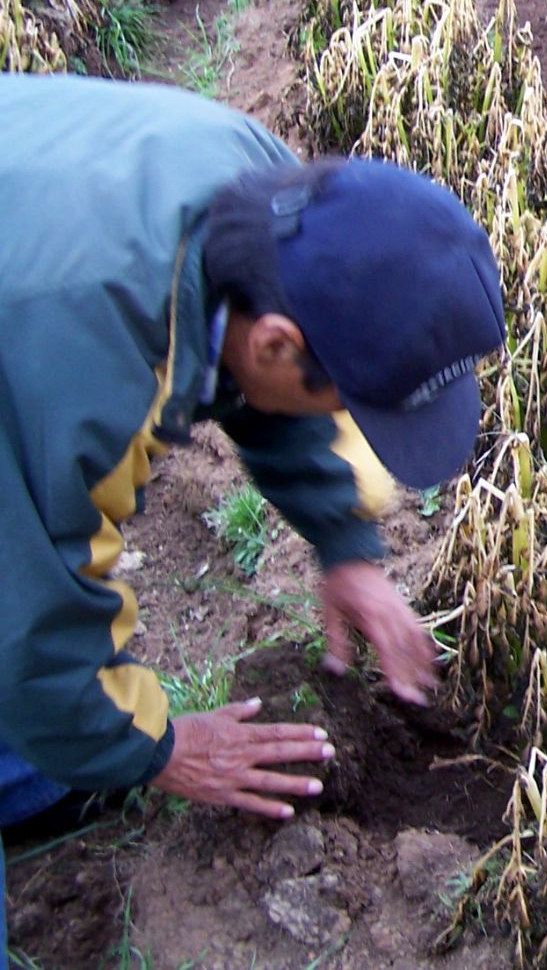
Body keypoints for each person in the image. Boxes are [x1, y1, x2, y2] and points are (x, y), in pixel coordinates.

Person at [0, 74, 507, 954]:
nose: (346, 414)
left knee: (58, 725)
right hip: (31, 308)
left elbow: (259, 386)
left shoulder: (266, 198)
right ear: (280, 343)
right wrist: (160, 752)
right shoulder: (92, 375)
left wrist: (345, 544)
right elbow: (26, 612)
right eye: (354, 399)